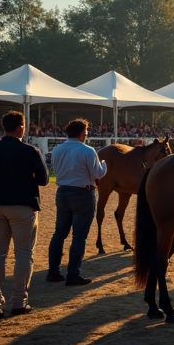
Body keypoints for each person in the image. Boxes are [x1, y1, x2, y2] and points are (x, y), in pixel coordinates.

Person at [0, 111, 49, 318]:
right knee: (23, 254)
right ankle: (19, 300)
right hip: (23, 206)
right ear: (20, 127)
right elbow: (44, 180)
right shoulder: (30, 150)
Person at [48, 118, 107, 287]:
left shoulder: (57, 149)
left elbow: (54, 168)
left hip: (62, 191)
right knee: (79, 236)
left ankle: (53, 271)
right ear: (82, 133)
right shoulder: (87, 150)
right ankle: (73, 274)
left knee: (59, 233)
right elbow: (97, 174)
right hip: (82, 192)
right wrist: (104, 165)